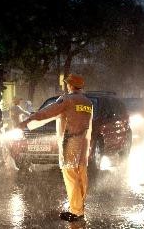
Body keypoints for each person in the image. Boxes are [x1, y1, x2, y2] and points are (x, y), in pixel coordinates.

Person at [19, 73, 92, 222]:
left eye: (67, 83)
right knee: (81, 176)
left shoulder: (67, 100)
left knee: (71, 177)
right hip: (84, 143)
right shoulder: (88, 103)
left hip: (71, 142)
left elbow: (47, 113)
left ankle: (76, 212)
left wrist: (27, 121)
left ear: (70, 85)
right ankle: (80, 208)